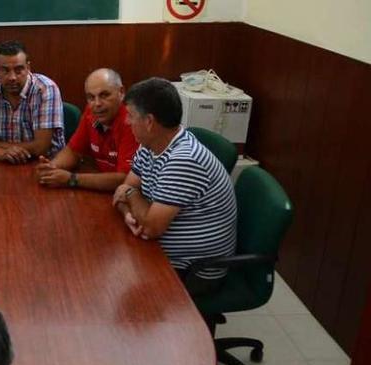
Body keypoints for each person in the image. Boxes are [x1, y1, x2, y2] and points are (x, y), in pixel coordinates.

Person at [112, 77, 237, 296]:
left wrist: (131, 196)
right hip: (159, 251)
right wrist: (128, 212)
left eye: (131, 116)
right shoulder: (151, 145)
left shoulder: (183, 159)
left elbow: (150, 227)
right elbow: (124, 189)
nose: (127, 122)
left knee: (119, 291)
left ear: (149, 122)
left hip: (195, 270)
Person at [0, 40, 64, 164]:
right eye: (5, 70)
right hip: (2, 163)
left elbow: (40, 148)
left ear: (28, 68)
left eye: (18, 70)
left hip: (45, 164)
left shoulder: (45, 89)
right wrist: (0, 153)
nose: (12, 77)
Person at [36, 68, 139, 191]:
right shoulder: (91, 112)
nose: (97, 104)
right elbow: (73, 151)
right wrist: (52, 168)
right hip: (99, 188)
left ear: (121, 92)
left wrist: (72, 179)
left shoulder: (132, 121)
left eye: (104, 95)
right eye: (91, 97)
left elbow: (125, 179)